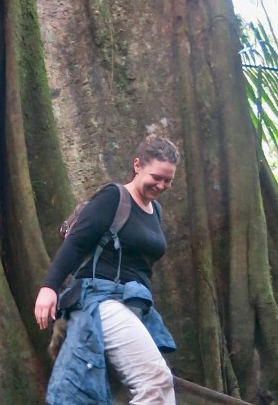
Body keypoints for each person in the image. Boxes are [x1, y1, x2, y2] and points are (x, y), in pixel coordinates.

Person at [34, 135, 180, 405]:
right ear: (138, 165)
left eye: (168, 180)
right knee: (154, 381)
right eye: (157, 177)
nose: (161, 185)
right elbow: (76, 243)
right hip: (101, 299)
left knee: (163, 388)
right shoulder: (114, 196)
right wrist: (48, 287)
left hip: (132, 304)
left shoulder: (155, 210)